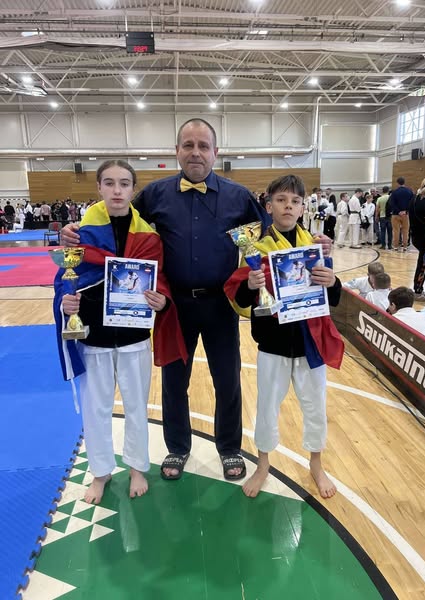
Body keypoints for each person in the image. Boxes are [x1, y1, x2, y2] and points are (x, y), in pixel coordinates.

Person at [60, 119, 333, 482]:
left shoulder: (238, 196)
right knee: (175, 380)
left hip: (221, 304)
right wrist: (77, 231)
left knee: (227, 380)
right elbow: (120, 219)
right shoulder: (155, 194)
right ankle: (177, 447)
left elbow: (275, 231)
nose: (196, 152)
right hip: (174, 306)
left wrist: (312, 242)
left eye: (203, 146)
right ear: (177, 151)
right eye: (188, 145)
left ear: (215, 152)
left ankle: (229, 448)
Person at [54, 159, 187, 504]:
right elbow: (66, 280)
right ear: (98, 187)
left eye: (124, 184)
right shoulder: (80, 235)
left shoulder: (149, 237)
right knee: (96, 409)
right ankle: (100, 472)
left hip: (133, 337)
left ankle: (137, 467)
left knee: (136, 407)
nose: (117, 190)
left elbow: (160, 280)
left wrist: (162, 301)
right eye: (110, 183)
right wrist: (65, 303)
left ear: (133, 189)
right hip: (94, 336)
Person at [224, 175, 344, 499]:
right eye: (281, 200)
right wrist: (250, 285)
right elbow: (239, 295)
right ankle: (263, 464)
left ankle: (316, 463)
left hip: (310, 344)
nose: (288, 206)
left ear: (303, 208)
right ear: (269, 206)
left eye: (294, 201)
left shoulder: (315, 247)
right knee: (266, 408)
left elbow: (333, 297)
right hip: (273, 344)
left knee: (315, 407)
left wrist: (332, 280)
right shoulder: (256, 248)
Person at [390, 176, 414, 251]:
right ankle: (405, 246)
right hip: (405, 214)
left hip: (395, 214)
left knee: (396, 231)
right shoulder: (409, 191)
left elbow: (392, 203)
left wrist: (398, 211)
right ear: (404, 182)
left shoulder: (394, 192)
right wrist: (405, 211)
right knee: (405, 231)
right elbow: (412, 203)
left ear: (397, 183)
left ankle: (395, 246)